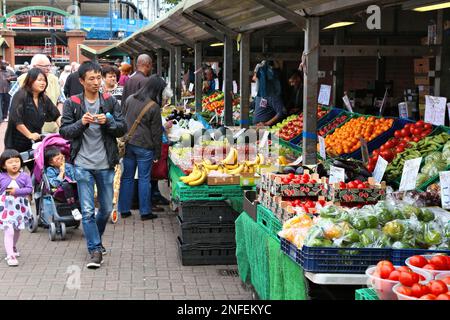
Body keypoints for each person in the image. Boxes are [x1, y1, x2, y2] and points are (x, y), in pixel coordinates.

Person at [59, 60, 126, 269]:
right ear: (82, 81)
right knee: (87, 211)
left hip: (105, 163)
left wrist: (109, 123)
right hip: (82, 164)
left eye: (99, 78)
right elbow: (64, 132)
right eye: (92, 79)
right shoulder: (72, 103)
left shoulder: (109, 101)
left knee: (105, 209)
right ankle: (95, 249)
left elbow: (122, 128)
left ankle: (94, 238)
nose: (97, 82)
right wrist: (82, 122)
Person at [118, 75, 171, 220]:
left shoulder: (130, 99)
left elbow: (123, 120)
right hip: (145, 147)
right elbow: (156, 132)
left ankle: (124, 209)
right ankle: (145, 212)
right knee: (144, 179)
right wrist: (158, 153)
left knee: (127, 177)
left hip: (129, 144)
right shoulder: (153, 106)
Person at [4, 68, 61, 171]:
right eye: (39, 80)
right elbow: (16, 119)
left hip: (34, 143)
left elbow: (56, 115)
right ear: (30, 80)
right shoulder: (21, 95)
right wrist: (29, 134)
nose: (43, 83)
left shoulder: (43, 98)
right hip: (16, 143)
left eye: (44, 80)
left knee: (38, 171)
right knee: (12, 173)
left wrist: (64, 129)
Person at [9, 54, 65, 134]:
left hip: (50, 130)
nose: (48, 69)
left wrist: (56, 116)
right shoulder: (22, 80)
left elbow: (61, 100)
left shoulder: (55, 80)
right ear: (34, 67)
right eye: (45, 66)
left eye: (49, 66)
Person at [0, 149, 33, 266]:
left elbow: (29, 189)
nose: (14, 164)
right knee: (9, 230)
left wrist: (16, 191)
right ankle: (10, 255)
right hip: (5, 208)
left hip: (19, 207)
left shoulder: (24, 176)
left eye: (16, 161)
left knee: (17, 230)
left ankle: (12, 246)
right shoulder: (1, 176)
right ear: (3, 165)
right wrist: (8, 193)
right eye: (10, 162)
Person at [44, 147, 82, 221]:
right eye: (58, 159)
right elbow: (54, 184)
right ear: (51, 163)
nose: (61, 160)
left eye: (62, 157)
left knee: (81, 184)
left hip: (72, 188)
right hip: (59, 190)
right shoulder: (50, 170)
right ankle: (74, 208)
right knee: (65, 184)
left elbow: (74, 178)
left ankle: (86, 208)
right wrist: (61, 172)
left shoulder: (68, 166)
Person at [252, 60, 286, 127]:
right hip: (257, 129)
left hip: (266, 131)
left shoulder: (272, 95)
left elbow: (282, 112)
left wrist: (266, 124)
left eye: (256, 75)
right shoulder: (260, 93)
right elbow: (253, 105)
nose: (253, 78)